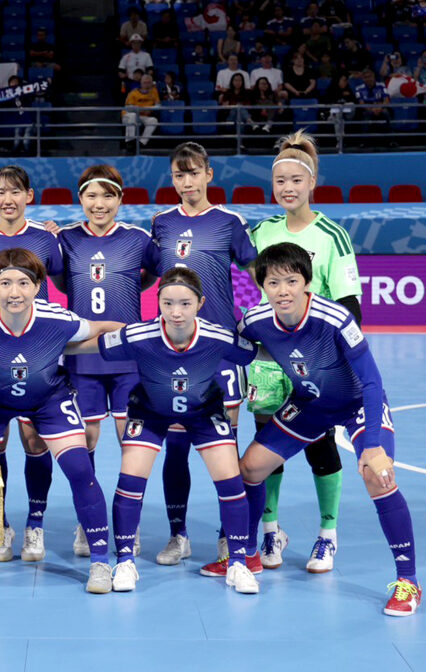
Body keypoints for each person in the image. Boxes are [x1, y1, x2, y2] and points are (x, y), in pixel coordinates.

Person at [238, 242, 421, 616]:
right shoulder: (254, 320)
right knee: (251, 468)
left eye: (292, 281)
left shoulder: (335, 318)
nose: (283, 291)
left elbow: (371, 381)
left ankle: (408, 581)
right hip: (309, 404)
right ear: (262, 285)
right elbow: (234, 348)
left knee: (378, 476)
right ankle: (249, 555)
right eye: (273, 282)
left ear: (306, 282)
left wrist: (373, 445)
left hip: (357, 405)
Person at [0, 248, 120, 594]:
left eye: (23, 283)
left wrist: (145, 337)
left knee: (80, 470)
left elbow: (102, 328)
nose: (14, 292)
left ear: (37, 286)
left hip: (49, 401)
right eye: (5, 283)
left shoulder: (58, 318)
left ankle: (100, 562)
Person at [67, 267, 260, 594]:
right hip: (150, 412)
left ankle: (238, 563)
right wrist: (46, 347)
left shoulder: (219, 337)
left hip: (204, 413)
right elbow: (92, 345)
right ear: (157, 302)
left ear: (200, 303)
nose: (176, 312)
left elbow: (256, 351)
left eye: (185, 304)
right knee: (130, 481)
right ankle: (125, 561)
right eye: (168, 303)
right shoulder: (139, 335)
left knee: (231, 482)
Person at [245, 130, 361, 572]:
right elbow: (235, 276)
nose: (288, 188)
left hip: (317, 363)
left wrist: (331, 361)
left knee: (320, 445)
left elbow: (350, 306)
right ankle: (271, 530)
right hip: (268, 361)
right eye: (280, 181)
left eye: (296, 180)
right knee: (267, 444)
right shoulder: (261, 232)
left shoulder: (332, 235)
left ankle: (328, 535)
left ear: (312, 183)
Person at [150, 142, 258, 568]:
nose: (187, 181)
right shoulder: (161, 223)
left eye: (194, 172)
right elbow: (145, 276)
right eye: (179, 175)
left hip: (220, 353)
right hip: (173, 353)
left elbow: (257, 276)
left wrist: (257, 325)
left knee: (224, 449)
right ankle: (178, 535)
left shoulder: (230, 222)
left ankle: (230, 537)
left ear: (209, 174)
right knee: (176, 447)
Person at [0, 166, 66, 563]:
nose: (8, 199)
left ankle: (35, 525)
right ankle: (1, 524)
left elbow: (66, 283)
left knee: (35, 440)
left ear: (29, 196)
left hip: (38, 356)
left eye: (16, 191)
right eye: (1, 192)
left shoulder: (47, 238)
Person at [58, 165, 158, 556]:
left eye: (108, 196)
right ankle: (90, 520)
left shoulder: (137, 239)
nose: (99, 204)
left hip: (127, 360)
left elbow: (154, 274)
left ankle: (129, 524)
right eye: (91, 196)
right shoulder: (66, 239)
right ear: (80, 199)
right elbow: (56, 277)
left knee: (130, 439)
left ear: (120, 199)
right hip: (82, 360)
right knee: (85, 440)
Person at [352, 69, 392, 141]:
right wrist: (372, 109)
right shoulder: (359, 88)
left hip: (380, 107)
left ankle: (390, 140)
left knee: (386, 113)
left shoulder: (381, 85)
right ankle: (364, 141)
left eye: (370, 76)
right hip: (367, 109)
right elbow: (361, 103)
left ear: (374, 77)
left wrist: (380, 108)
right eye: (366, 77)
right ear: (363, 79)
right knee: (365, 115)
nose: (368, 79)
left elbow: (386, 100)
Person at [123, 74, 161, 148]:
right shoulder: (133, 93)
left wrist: (149, 109)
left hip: (144, 116)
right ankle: (130, 142)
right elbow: (128, 108)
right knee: (132, 116)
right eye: (145, 83)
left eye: (149, 82)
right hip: (129, 116)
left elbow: (158, 106)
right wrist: (141, 110)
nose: (147, 85)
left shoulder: (154, 92)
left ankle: (142, 143)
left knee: (153, 120)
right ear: (141, 83)